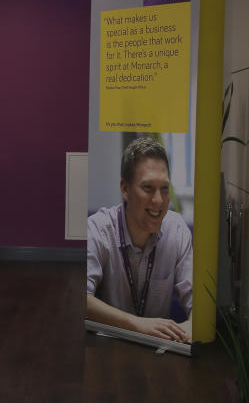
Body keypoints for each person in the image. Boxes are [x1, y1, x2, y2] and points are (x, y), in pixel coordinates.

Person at [86, 137, 193, 343]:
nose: (159, 201)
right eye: (148, 188)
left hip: (158, 354)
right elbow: (82, 299)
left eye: (164, 188)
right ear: (125, 189)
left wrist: (184, 330)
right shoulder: (98, 229)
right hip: (107, 349)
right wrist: (137, 325)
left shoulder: (177, 229)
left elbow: (198, 303)